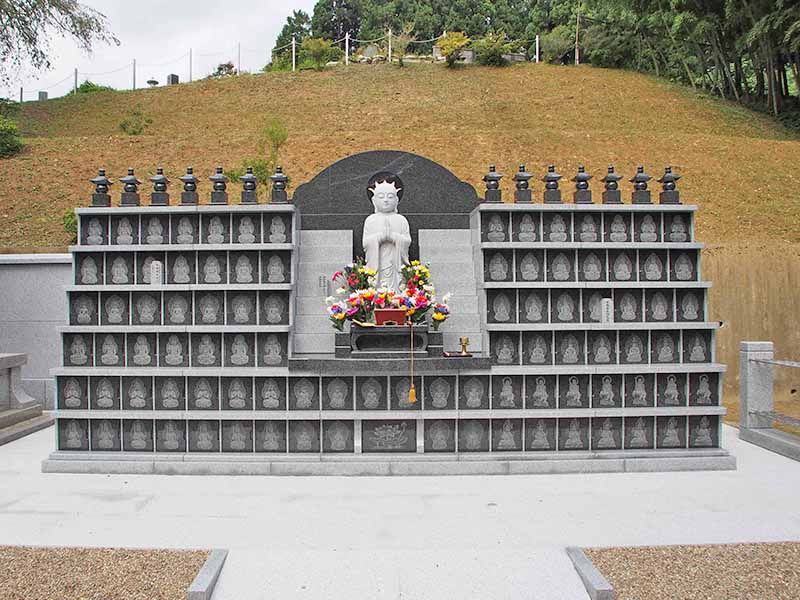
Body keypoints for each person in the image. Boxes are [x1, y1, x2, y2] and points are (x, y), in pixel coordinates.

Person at [362, 172, 411, 291]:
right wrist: (380, 237)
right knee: (377, 287)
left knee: (397, 288)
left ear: (396, 199)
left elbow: (407, 241)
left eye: (390, 197)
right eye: (381, 197)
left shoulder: (401, 220)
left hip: (395, 263)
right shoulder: (370, 220)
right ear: (374, 200)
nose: (385, 200)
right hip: (378, 263)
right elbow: (365, 243)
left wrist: (394, 237)